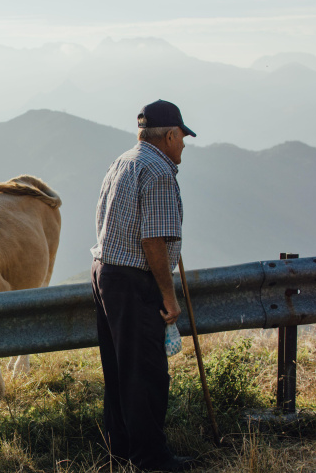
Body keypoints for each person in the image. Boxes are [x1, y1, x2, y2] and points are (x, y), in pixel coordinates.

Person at [90, 99, 196, 472]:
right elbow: (154, 241)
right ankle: (152, 461)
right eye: (182, 137)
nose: (183, 144)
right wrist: (169, 297)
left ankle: (120, 453)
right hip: (134, 282)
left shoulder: (124, 161)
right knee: (147, 374)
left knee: (119, 371)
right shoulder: (160, 171)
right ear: (169, 135)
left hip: (105, 272)